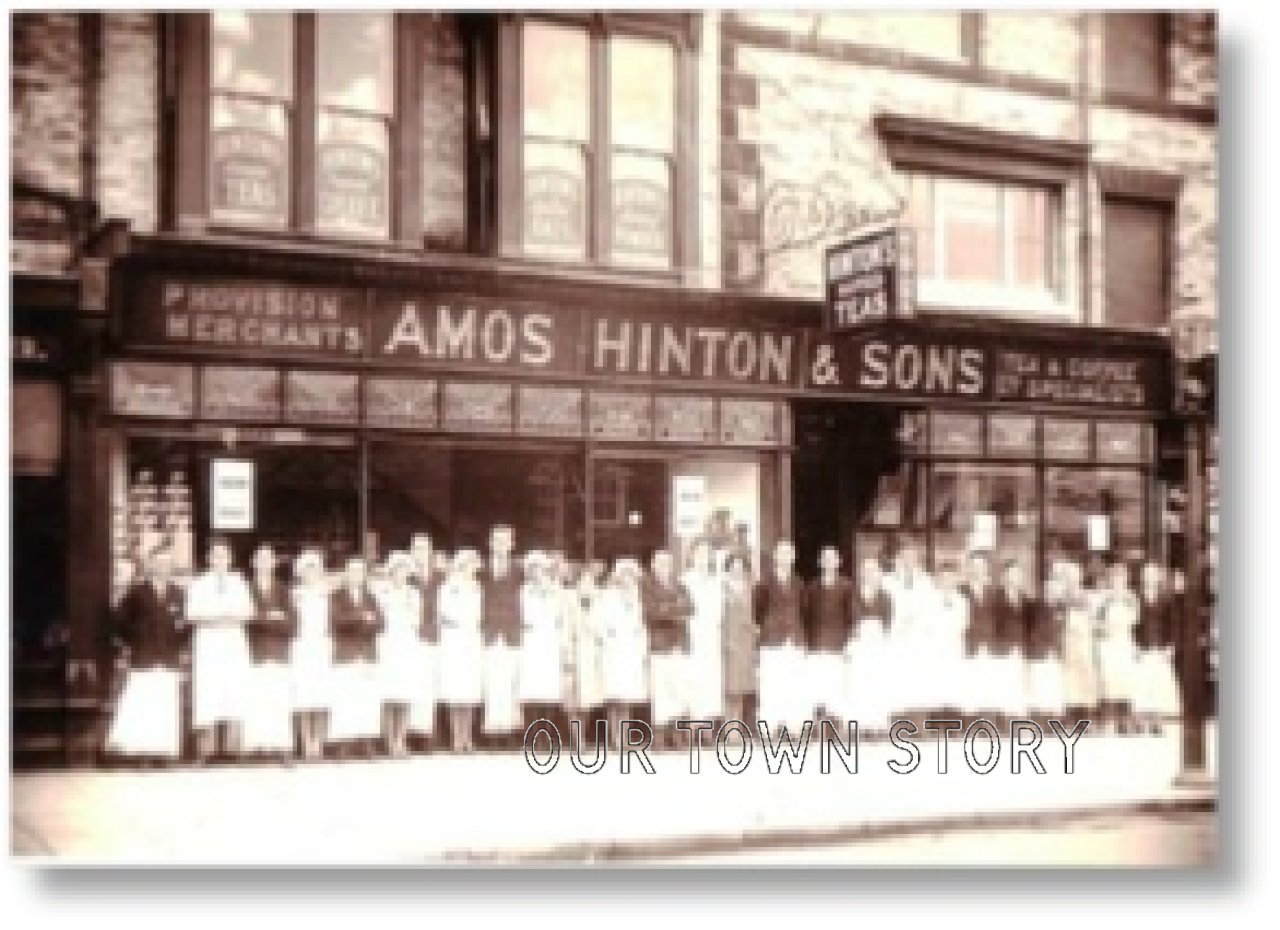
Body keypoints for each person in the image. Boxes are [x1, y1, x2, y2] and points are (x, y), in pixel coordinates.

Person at [105, 548, 186, 764]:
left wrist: (180, 643)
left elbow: (185, 624)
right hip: (144, 656)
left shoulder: (178, 593)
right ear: (150, 565)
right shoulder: (138, 592)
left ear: (171, 566)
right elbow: (119, 620)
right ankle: (141, 752)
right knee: (143, 704)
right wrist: (135, 637)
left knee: (165, 704)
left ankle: (163, 752)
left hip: (168, 657)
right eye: (158, 562)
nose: (162, 567)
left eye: (167, 563)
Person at [184, 538, 255, 762]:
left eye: (223, 556)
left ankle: (233, 749)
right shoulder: (199, 584)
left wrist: (221, 614)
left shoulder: (239, 583)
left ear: (230, 559)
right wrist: (222, 615)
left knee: (234, 692)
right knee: (209, 693)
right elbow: (192, 613)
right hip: (209, 645)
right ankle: (207, 750)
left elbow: (248, 611)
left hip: (233, 644)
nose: (219, 560)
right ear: (209, 559)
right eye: (215, 556)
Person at [242, 544, 297, 760]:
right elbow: (245, 620)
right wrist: (271, 616)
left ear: (274, 563)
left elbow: (293, 623)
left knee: (279, 701)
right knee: (256, 701)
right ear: (253, 563)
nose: (265, 563)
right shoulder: (245, 588)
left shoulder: (283, 590)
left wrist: (264, 618)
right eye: (260, 559)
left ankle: (281, 748)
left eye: (268, 559)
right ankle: (257, 748)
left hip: (278, 651)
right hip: (253, 652)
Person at [328, 555, 385, 755]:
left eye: (360, 571)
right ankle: (344, 744)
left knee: (367, 699)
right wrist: (362, 617)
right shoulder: (336, 596)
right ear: (346, 573)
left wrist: (366, 620)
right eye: (352, 570)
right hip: (346, 652)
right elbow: (336, 621)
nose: (356, 574)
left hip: (367, 652)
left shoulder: (371, 596)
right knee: (345, 699)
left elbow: (381, 623)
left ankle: (366, 742)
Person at [375, 551, 425, 757]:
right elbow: (377, 618)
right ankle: (389, 742)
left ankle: (401, 740)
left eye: (404, 569)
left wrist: (409, 611)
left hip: (406, 644)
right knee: (388, 695)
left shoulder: (413, 593)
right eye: (397, 569)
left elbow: (417, 621)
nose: (401, 573)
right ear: (391, 571)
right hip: (386, 644)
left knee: (405, 694)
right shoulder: (381, 591)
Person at [642, 549, 694, 748]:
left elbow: (690, 608)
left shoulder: (680, 586)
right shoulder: (647, 587)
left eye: (668, 563)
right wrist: (674, 610)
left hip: (679, 644)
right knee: (661, 691)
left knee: (678, 690)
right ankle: (659, 735)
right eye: (661, 563)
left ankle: (677, 734)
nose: (665, 567)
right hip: (660, 645)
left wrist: (668, 608)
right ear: (654, 566)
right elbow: (652, 612)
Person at [755, 540, 807, 735]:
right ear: (775, 557)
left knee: (793, 684)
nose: (785, 558)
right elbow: (758, 611)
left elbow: (803, 609)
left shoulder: (799, 583)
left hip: (794, 639)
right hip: (772, 640)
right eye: (781, 554)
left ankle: (793, 727)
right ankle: (769, 728)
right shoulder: (764, 583)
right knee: (771, 684)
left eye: (788, 554)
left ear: (793, 558)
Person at [437, 548, 485, 752]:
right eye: (468, 564)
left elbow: (480, 614)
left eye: (474, 565)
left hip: (472, 640)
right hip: (454, 640)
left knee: (470, 690)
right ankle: (456, 738)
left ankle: (468, 737)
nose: (471, 568)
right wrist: (460, 624)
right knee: (455, 690)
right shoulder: (448, 587)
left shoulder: (477, 588)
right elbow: (443, 614)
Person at [598, 558, 648, 750]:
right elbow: (599, 621)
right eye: (624, 575)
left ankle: (625, 736)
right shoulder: (607, 596)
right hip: (614, 649)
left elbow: (642, 625)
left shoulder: (637, 598)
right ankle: (615, 737)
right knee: (615, 696)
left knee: (628, 696)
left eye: (631, 575)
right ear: (618, 577)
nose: (628, 579)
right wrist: (608, 635)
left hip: (631, 650)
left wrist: (642, 648)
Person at [844, 556, 895, 733]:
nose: (869, 574)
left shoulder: (885, 597)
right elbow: (848, 620)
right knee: (858, 682)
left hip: (877, 644)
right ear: (860, 574)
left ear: (879, 574)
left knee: (876, 682)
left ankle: (877, 723)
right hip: (858, 644)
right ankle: (859, 723)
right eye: (866, 571)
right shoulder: (853, 595)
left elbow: (888, 623)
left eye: (873, 571)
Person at [290, 549, 332, 760]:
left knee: (322, 695)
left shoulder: (327, 594)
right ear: (300, 572)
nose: (311, 573)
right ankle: (306, 744)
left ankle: (319, 744)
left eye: (314, 569)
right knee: (304, 696)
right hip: (301, 647)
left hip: (322, 646)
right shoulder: (295, 595)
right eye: (307, 569)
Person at [519, 551, 566, 734]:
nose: (537, 572)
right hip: (531, 641)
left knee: (550, 689)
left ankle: (547, 733)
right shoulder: (524, 591)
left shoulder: (556, 591)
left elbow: (561, 617)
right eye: (533, 568)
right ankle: (532, 733)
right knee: (532, 688)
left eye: (540, 568)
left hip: (550, 641)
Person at [806, 546, 853, 725]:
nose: (828, 562)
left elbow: (851, 617)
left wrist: (848, 643)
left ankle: (836, 725)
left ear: (838, 562)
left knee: (837, 687)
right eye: (825, 559)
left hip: (838, 645)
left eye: (832, 559)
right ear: (820, 562)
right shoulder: (812, 588)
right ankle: (820, 724)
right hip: (817, 645)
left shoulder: (847, 587)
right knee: (819, 687)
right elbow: (806, 615)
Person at [682, 538, 726, 725]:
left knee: (711, 681)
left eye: (707, 554)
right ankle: (694, 726)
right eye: (700, 553)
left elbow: (721, 611)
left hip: (712, 636)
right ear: (692, 556)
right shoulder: (685, 581)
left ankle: (708, 727)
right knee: (694, 680)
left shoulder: (717, 582)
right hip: (693, 635)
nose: (704, 558)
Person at [1096, 560, 1141, 734]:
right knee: (1109, 681)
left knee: (1126, 680)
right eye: (1114, 577)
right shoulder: (1104, 598)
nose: (1117, 580)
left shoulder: (1131, 598)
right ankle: (1109, 721)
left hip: (1124, 641)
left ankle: (1126, 721)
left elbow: (1136, 621)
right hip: (1108, 643)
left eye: (1121, 577)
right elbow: (1096, 621)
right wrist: (1104, 628)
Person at [1134, 561, 1180, 735]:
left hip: (1160, 646)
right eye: (1146, 575)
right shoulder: (1138, 598)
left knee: (1159, 683)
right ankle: (1143, 721)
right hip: (1144, 647)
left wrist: (1171, 645)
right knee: (1144, 683)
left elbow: (1173, 624)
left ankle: (1157, 722)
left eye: (1153, 575)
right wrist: (1136, 645)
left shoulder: (1166, 599)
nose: (1149, 578)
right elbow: (1135, 625)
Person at [565, 560, 607, 740]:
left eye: (590, 582)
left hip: (593, 653)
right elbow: (565, 628)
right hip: (575, 650)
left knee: (589, 697)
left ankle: (584, 733)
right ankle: (577, 737)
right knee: (573, 698)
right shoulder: (569, 601)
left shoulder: (600, 601)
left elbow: (604, 627)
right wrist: (568, 655)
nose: (587, 585)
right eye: (584, 581)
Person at [408, 532, 442, 746]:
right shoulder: (406, 576)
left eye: (424, 548)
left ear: (430, 551)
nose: (420, 552)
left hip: (435, 636)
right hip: (412, 638)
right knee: (413, 686)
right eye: (416, 548)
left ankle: (429, 735)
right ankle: (412, 734)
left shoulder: (440, 577)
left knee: (431, 686)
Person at [990, 560, 1035, 725]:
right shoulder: (995, 601)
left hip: (1022, 652)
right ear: (1004, 577)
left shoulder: (1027, 601)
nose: (1014, 579)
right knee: (1003, 689)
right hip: (1003, 652)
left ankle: (1018, 723)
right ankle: (1002, 723)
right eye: (1011, 575)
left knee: (1021, 690)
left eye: (1017, 575)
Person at [1057, 558, 1099, 728]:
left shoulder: (1087, 597)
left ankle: (1086, 718)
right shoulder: (1061, 599)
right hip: (1068, 642)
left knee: (1085, 678)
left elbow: (1093, 619)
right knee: (1069, 680)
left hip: (1084, 641)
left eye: (1075, 576)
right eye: (1068, 577)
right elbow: (1059, 621)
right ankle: (1070, 717)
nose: (1072, 580)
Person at [928, 561, 970, 720]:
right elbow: (928, 625)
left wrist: (952, 636)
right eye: (944, 578)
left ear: (956, 580)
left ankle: (953, 719)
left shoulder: (962, 601)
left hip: (954, 647)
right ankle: (936, 719)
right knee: (936, 687)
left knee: (954, 687)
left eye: (951, 578)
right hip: (936, 649)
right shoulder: (930, 600)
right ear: (938, 580)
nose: (947, 582)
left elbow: (963, 624)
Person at [1024, 569, 1066, 723]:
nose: (1052, 592)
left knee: (1052, 690)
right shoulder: (1034, 607)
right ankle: (1037, 721)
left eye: (1056, 588)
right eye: (1049, 589)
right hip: (1038, 654)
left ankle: (1050, 722)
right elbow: (1028, 631)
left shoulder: (1061, 608)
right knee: (1038, 690)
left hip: (1054, 655)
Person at [962, 551, 999, 722]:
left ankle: (987, 721)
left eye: (981, 566)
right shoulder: (961, 591)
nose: (977, 570)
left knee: (988, 685)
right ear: (968, 568)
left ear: (987, 569)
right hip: (969, 647)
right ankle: (970, 722)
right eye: (974, 566)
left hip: (990, 646)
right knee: (969, 687)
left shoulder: (994, 594)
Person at [722, 552, 758, 726]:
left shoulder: (750, 589)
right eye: (733, 568)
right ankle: (730, 724)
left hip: (746, 642)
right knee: (729, 687)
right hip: (729, 642)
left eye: (740, 568)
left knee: (743, 685)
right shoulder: (723, 589)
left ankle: (740, 723)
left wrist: (755, 632)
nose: (737, 571)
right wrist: (726, 639)